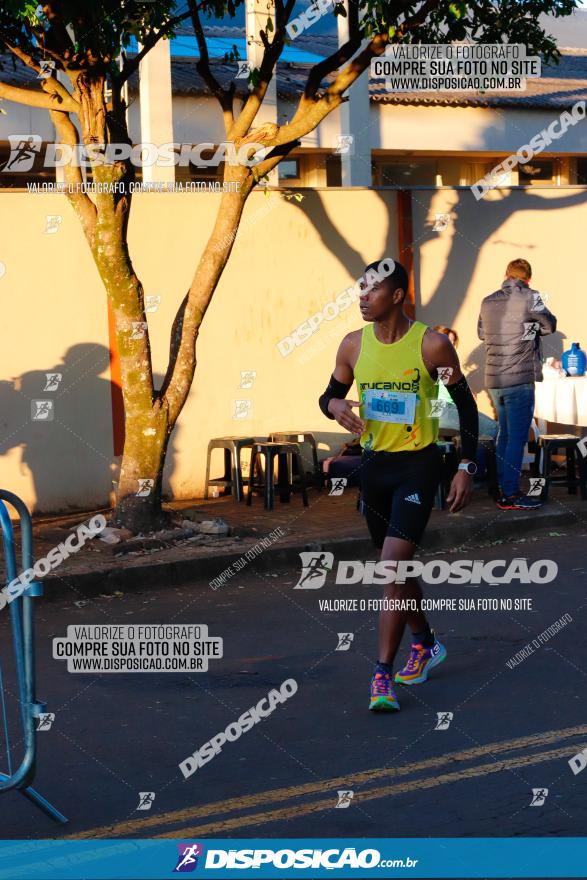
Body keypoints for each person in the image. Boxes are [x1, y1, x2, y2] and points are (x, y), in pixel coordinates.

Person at [318, 259, 479, 712]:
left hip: (418, 467)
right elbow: (326, 395)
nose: (362, 298)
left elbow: (465, 407)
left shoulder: (432, 346)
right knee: (400, 570)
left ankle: (381, 675)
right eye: (360, 290)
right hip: (374, 468)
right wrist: (335, 406)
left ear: (397, 296)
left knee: (390, 567)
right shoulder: (353, 345)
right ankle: (425, 642)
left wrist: (467, 465)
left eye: (371, 291)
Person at [478, 259, 557, 510]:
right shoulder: (531, 296)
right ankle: (511, 493)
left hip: (494, 380)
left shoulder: (487, 300)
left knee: (505, 434)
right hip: (519, 379)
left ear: (506, 275)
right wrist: (528, 329)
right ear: (528, 279)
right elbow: (550, 325)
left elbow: (482, 334)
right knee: (517, 438)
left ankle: (501, 488)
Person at [432, 325, 498, 441]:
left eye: (453, 342)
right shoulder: (442, 363)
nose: (451, 346)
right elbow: (452, 389)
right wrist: (465, 394)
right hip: (441, 409)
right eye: (448, 341)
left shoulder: (428, 361)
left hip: (436, 409)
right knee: (493, 429)